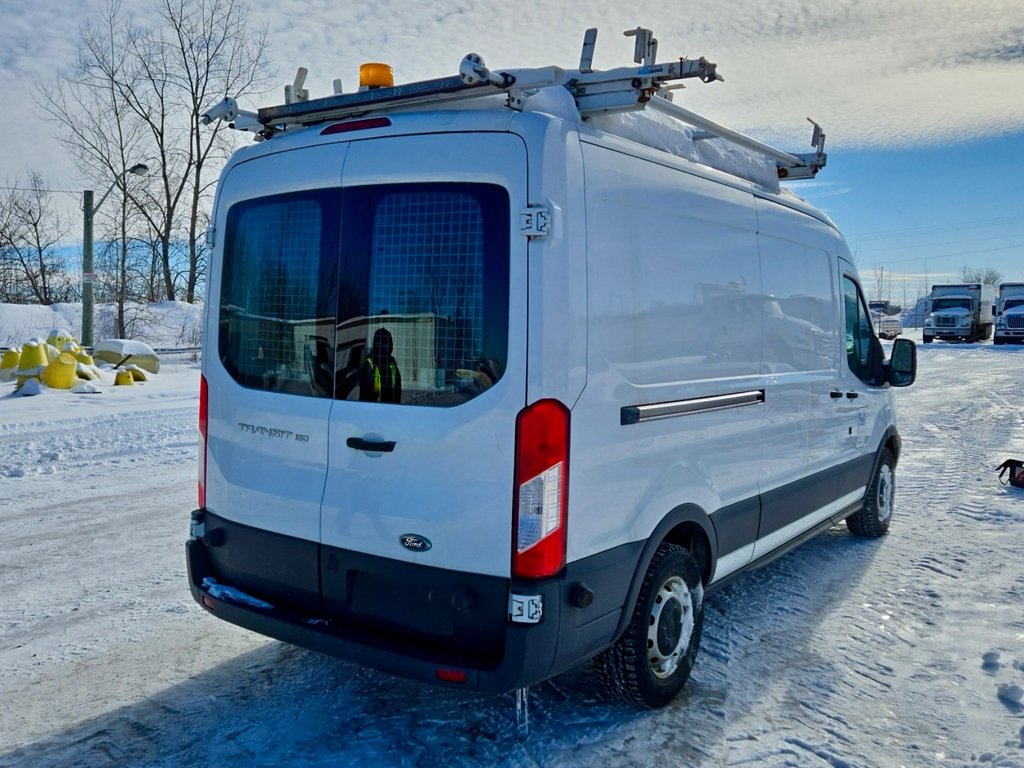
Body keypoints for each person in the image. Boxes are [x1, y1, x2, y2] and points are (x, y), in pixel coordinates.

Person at [359, 328, 402, 403]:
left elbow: (397, 388)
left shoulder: (391, 363)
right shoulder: (368, 365)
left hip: (391, 407)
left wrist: (396, 405)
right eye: (383, 344)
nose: (386, 347)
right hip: (372, 407)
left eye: (387, 344)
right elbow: (363, 394)